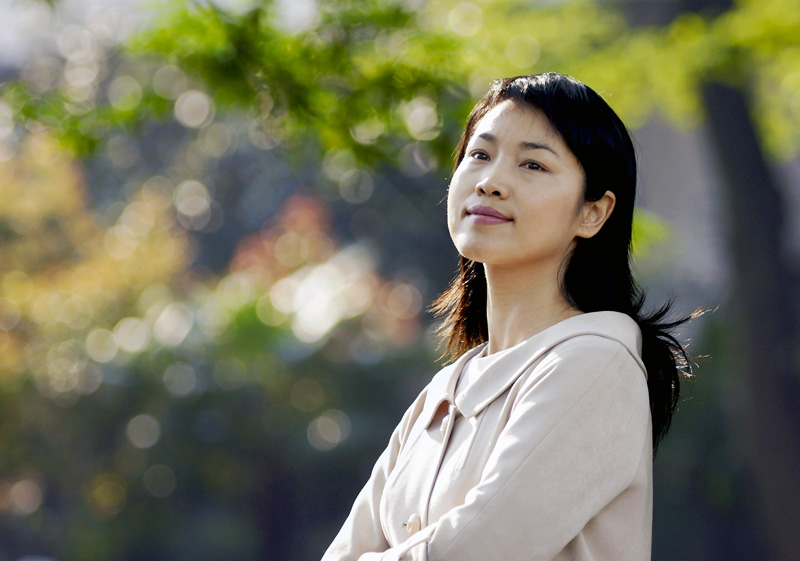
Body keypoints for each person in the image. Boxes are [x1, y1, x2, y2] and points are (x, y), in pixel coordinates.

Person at [321, 72, 697, 561]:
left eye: (533, 165)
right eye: (480, 155)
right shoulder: (441, 396)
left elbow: (476, 551)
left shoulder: (596, 364)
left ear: (593, 214)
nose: (491, 182)